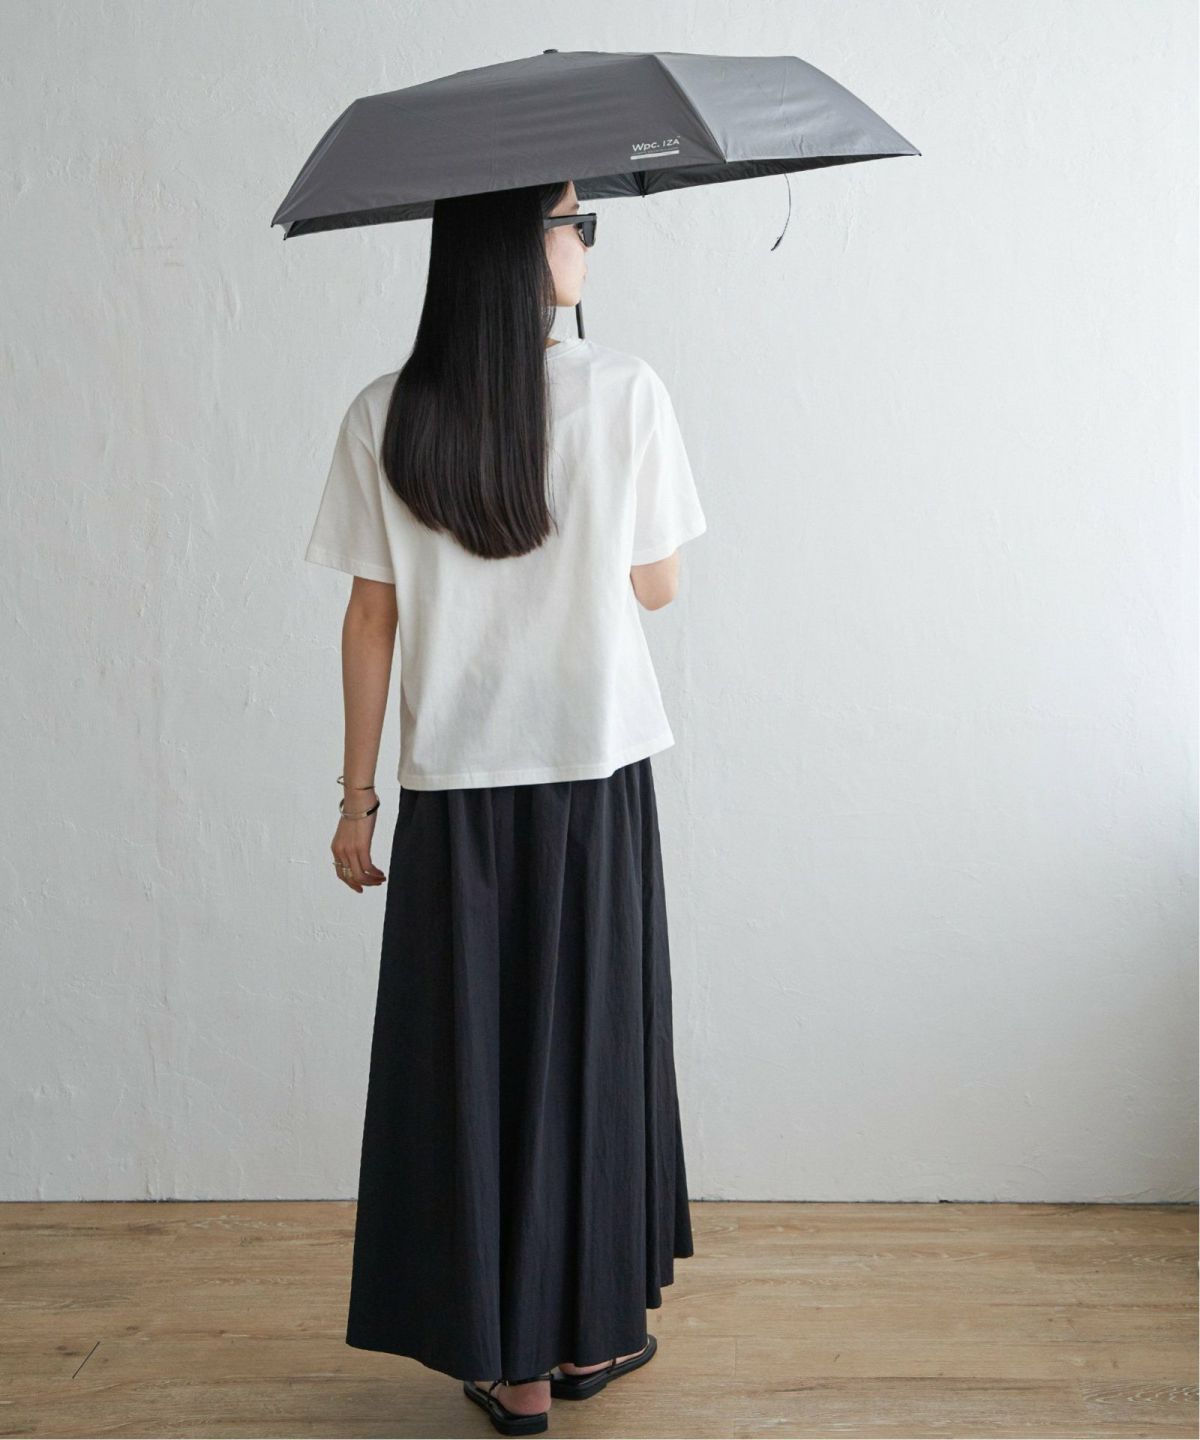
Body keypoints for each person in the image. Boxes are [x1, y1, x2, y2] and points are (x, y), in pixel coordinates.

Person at [303, 177, 705, 1436]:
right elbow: (656, 585)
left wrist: (356, 802)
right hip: (595, 775)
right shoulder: (626, 391)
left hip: (455, 792)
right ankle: (589, 1333)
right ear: (520, 246)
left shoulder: (387, 412)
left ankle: (511, 1365)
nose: (586, 241)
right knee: (591, 1049)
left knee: (472, 1069)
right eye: (574, 221)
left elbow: (370, 618)